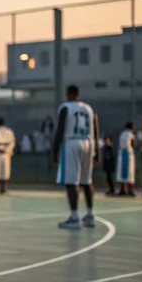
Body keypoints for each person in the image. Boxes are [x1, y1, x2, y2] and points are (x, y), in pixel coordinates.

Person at [52, 85, 100, 229]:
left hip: (72, 143)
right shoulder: (89, 108)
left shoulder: (66, 107)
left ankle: (74, 217)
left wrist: (55, 151)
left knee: (71, 182)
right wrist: (97, 151)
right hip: (88, 142)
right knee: (86, 181)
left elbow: (60, 130)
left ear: (67, 94)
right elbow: (96, 129)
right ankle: (90, 215)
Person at [116, 122, 136, 197]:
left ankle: (122, 189)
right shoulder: (131, 134)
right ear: (131, 127)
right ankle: (130, 190)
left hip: (121, 153)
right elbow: (133, 144)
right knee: (130, 172)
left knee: (121, 172)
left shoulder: (122, 134)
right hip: (128, 153)